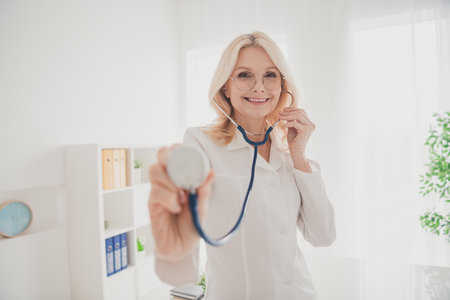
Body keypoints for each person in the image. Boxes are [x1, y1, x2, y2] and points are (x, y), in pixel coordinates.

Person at [148, 31, 336, 300]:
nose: (259, 87)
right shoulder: (200, 142)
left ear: (283, 85)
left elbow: (323, 236)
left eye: (270, 75)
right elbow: (186, 228)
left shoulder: (289, 150)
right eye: (244, 75)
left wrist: (299, 156)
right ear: (226, 85)